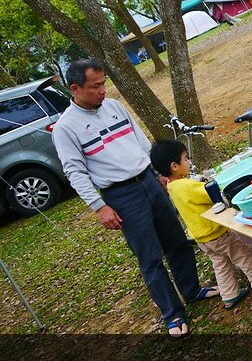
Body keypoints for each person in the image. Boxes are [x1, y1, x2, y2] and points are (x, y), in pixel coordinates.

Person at [52, 59, 218, 339]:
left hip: (148, 181)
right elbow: (74, 170)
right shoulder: (66, 128)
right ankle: (173, 313)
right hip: (121, 194)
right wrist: (99, 206)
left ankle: (192, 289)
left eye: (104, 83)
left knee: (176, 240)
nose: (103, 90)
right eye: (96, 86)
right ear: (75, 88)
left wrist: (158, 172)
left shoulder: (114, 107)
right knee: (150, 257)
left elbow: (140, 140)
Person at [150, 140, 252, 310]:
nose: (189, 162)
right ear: (174, 166)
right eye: (185, 159)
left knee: (221, 265)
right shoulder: (187, 185)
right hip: (218, 233)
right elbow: (210, 194)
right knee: (244, 256)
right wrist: (212, 184)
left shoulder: (172, 186)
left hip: (202, 238)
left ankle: (229, 295)